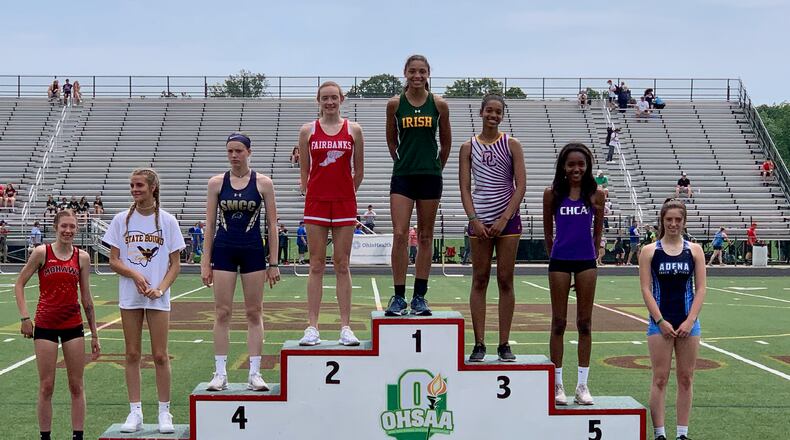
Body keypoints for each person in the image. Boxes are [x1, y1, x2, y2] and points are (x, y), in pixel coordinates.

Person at [102, 168, 185, 434]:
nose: (135, 190)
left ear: (152, 188)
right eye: (132, 185)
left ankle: (164, 412)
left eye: (139, 185)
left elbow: (175, 264)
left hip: (157, 297)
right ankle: (135, 411)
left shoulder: (168, 221)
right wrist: (135, 275)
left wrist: (160, 289)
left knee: (160, 355)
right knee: (132, 354)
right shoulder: (121, 220)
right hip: (130, 296)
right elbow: (113, 260)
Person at [202, 133, 281, 392]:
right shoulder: (216, 183)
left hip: (252, 251)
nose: (234, 155)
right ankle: (220, 373)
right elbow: (210, 225)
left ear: (249, 152)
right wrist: (205, 262)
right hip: (224, 251)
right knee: (222, 312)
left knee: (254, 312)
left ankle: (254, 373)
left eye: (238, 151)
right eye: (230, 151)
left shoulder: (263, 183)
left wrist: (274, 263)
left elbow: (272, 224)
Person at [15, 210, 100, 440]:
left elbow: (87, 298)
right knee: (46, 386)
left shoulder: (82, 257)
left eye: (72, 226)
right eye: (64, 226)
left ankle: (77, 436)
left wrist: (94, 334)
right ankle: (45, 437)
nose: (68, 231)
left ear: (77, 229)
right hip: (45, 326)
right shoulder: (42, 253)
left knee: (76, 385)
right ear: (55, 227)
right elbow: (19, 284)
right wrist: (25, 318)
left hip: (73, 325)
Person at [297, 81, 364, 346]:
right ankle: (312, 327)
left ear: (341, 99)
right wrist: (312, 191)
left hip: (344, 203)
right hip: (317, 202)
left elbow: (359, 170)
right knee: (316, 264)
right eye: (325, 98)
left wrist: (345, 192)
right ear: (318, 100)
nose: (329, 102)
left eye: (334, 97)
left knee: (342, 263)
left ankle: (345, 327)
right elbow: (305, 170)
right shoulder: (308, 130)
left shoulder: (354, 130)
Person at [460, 94, 526, 363]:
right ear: (481, 112)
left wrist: (504, 218)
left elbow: (520, 185)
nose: (493, 115)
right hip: (480, 220)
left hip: (507, 221)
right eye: (489, 110)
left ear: (502, 115)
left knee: (505, 280)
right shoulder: (468, 147)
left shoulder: (511, 144)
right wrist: (474, 219)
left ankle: (504, 343)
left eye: (498, 112)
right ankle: (479, 343)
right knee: (480, 279)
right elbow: (465, 187)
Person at [384, 54, 452, 316]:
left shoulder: (439, 104)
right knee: (400, 234)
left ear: (428, 73)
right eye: (412, 71)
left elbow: (446, 143)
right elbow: (392, 141)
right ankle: (399, 297)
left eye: (422, 71)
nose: (417, 76)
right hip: (403, 175)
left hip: (430, 176)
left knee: (425, 236)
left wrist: (435, 167)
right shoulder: (395, 104)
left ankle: (420, 296)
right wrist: (404, 162)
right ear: (405, 72)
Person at [542, 143, 605, 406]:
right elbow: (548, 232)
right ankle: (558, 384)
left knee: (585, 323)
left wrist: (593, 254)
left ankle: (582, 385)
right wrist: (555, 256)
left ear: (587, 166)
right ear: (563, 167)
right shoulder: (552, 194)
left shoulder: (596, 194)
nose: (576, 169)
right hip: (559, 261)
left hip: (586, 262)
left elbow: (597, 231)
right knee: (558, 322)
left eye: (581, 164)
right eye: (571, 164)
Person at [638, 199, 706, 440]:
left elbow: (701, 288)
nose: (673, 224)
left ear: (684, 221)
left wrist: (690, 321)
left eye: (678, 219)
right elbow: (645, 289)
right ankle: (659, 434)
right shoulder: (649, 251)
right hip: (660, 324)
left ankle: (682, 434)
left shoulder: (694, 250)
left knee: (686, 378)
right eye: (669, 219)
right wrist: (660, 321)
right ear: (662, 221)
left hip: (688, 323)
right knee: (660, 378)